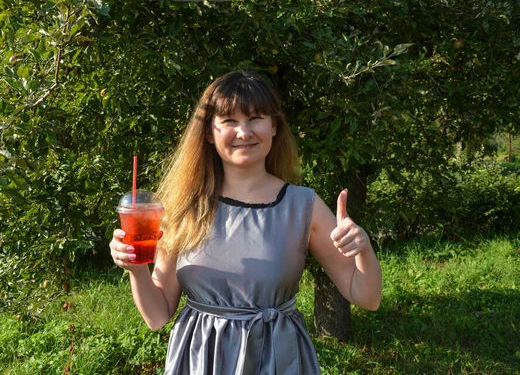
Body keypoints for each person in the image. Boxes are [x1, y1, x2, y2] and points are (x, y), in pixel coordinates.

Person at [109, 70, 382, 374]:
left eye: (255, 118)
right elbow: (157, 316)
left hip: (277, 361)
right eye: (229, 121)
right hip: (202, 361)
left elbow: (366, 297)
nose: (243, 132)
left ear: (274, 126)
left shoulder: (303, 206)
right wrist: (136, 269)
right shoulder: (184, 208)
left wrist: (363, 249)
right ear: (210, 133)